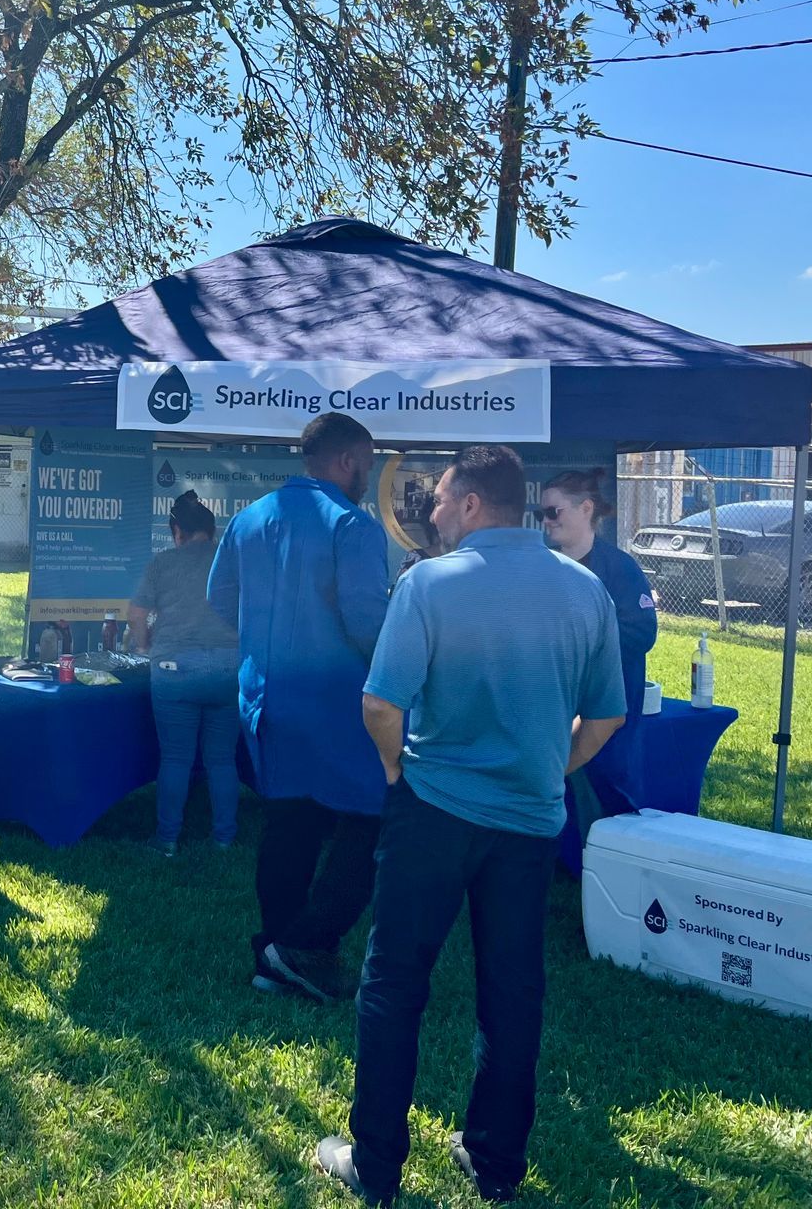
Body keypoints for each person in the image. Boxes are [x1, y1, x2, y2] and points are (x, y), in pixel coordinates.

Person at [317, 445, 625, 1206]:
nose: (432, 510)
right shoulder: (586, 591)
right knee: (512, 994)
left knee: (393, 984)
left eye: (442, 498)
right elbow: (608, 712)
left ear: (476, 504)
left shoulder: (429, 583)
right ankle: (494, 1163)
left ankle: (376, 1166)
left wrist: (395, 770)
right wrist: (550, 767)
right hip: (527, 822)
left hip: (433, 810)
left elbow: (380, 704)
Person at [206, 411, 390, 1001]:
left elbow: (219, 598)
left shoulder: (249, 518)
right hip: (337, 708)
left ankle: (272, 955)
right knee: (371, 824)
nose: (368, 475)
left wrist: (263, 638)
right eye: (366, 463)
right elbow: (368, 623)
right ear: (346, 462)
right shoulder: (352, 526)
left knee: (288, 826)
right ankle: (305, 946)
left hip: (265, 701)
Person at [540, 467, 659, 828]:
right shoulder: (544, 568)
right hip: (553, 706)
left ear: (586, 508)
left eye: (553, 512)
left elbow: (641, 634)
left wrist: (580, 644)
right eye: (540, 514)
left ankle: (604, 869)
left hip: (604, 712)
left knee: (605, 799)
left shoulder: (620, 569)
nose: (545, 522)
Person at [127, 490, 241, 854]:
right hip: (228, 668)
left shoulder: (162, 563)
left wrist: (144, 647)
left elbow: (136, 615)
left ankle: (167, 841)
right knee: (222, 759)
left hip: (174, 669)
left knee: (176, 758)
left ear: (177, 531)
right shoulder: (233, 563)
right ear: (214, 530)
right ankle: (224, 839)